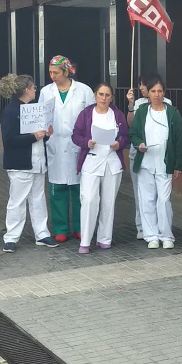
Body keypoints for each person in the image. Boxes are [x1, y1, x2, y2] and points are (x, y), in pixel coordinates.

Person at [0, 74, 57, 253]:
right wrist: (33, 137)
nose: (35, 90)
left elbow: (37, 137)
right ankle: (11, 237)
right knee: (17, 200)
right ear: (25, 90)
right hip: (20, 163)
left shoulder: (34, 109)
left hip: (37, 161)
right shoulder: (11, 111)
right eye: (33, 87)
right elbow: (8, 140)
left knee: (38, 199)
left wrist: (45, 135)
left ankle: (42, 233)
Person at [39, 55, 95, 243]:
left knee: (79, 190)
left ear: (66, 71)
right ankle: (60, 228)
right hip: (55, 144)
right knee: (57, 189)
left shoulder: (84, 91)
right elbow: (41, 116)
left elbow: (91, 116)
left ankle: (80, 227)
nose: (52, 76)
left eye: (55, 72)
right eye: (50, 72)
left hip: (78, 146)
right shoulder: (46, 92)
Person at [72, 84, 129, 254]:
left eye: (107, 95)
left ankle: (104, 238)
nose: (104, 98)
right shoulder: (87, 114)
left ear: (111, 97)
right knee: (89, 200)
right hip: (91, 161)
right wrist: (85, 143)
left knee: (108, 202)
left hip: (112, 162)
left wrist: (119, 143)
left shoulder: (117, 114)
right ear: (95, 95)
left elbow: (126, 136)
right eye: (101, 94)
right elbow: (75, 134)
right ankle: (85, 240)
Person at [130, 79, 182, 249]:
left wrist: (178, 165)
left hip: (164, 163)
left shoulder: (173, 113)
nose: (156, 95)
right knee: (146, 200)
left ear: (164, 93)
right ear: (148, 93)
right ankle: (151, 235)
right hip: (146, 163)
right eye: (153, 91)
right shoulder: (141, 112)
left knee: (164, 200)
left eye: (159, 91)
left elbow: (179, 140)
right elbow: (134, 134)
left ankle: (166, 235)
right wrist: (139, 144)